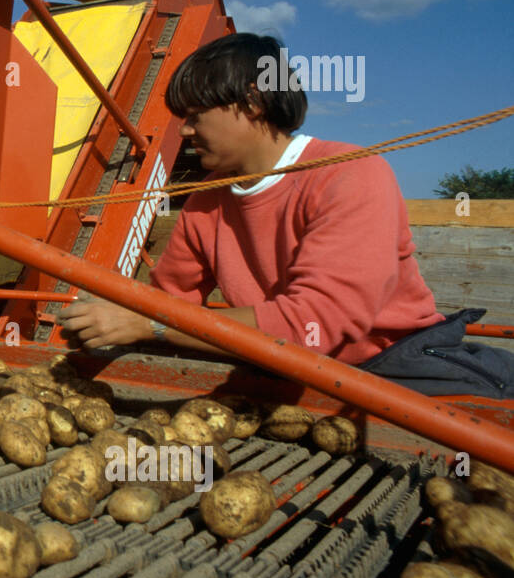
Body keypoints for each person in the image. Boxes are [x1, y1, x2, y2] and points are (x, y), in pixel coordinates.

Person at [59, 33, 513, 398]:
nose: (186, 130)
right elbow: (170, 298)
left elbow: (317, 325)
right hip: (280, 365)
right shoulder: (205, 203)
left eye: (196, 115)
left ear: (252, 102)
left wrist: (152, 326)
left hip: (389, 366)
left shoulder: (348, 174)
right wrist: (118, 311)